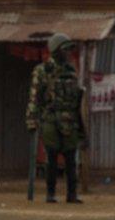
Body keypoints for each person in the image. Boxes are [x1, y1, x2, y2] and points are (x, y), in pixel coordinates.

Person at [26, 33, 86, 204]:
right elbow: (34, 98)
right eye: (65, 49)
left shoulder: (71, 70)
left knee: (70, 159)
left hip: (70, 120)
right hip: (50, 119)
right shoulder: (42, 71)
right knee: (51, 159)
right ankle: (50, 194)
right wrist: (32, 120)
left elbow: (77, 99)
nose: (68, 53)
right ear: (55, 50)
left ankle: (72, 194)